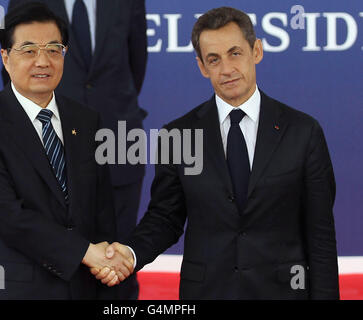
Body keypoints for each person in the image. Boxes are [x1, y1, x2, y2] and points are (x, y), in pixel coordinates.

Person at [96, 7, 340, 299]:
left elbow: (320, 236)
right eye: (214, 59)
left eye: (235, 53)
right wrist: (131, 253)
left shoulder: (303, 131)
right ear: (202, 66)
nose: (226, 69)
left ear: (257, 51)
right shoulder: (180, 135)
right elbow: (165, 218)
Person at [0, 2, 132, 299]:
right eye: (29, 50)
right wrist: (86, 253)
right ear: (6, 59)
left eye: (53, 49)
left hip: (81, 287)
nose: (43, 61)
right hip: (12, 288)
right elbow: (9, 218)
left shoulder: (85, 121)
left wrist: (106, 265)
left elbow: (102, 214)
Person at [3, 0, 148, 299]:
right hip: (49, 144)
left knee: (118, 261)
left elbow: (136, 63)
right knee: (55, 262)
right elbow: (15, 71)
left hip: (118, 142)